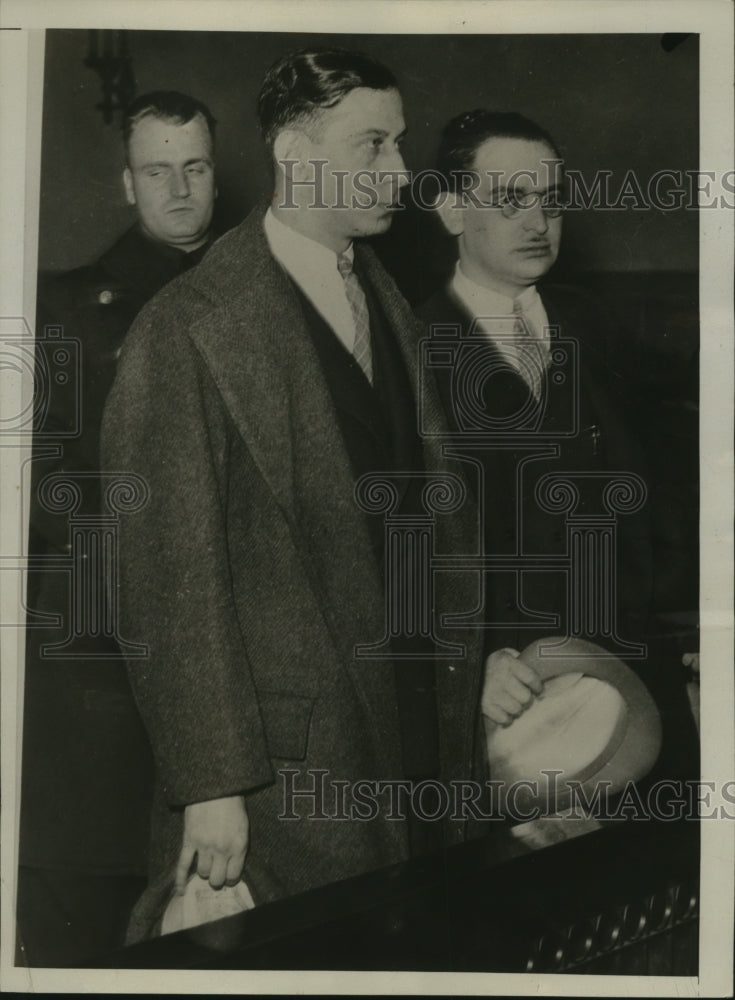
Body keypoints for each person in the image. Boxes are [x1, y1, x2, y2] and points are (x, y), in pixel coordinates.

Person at [101, 49, 485, 944]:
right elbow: (166, 577)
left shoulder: (384, 297)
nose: (399, 173)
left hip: (417, 728)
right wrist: (209, 785)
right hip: (286, 775)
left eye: (399, 145)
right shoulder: (189, 325)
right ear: (291, 152)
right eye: (373, 147)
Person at [18, 91, 219, 965]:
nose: (179, 190)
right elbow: (43, 500)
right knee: (102, 925)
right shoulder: (66, 308)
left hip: (239, 664)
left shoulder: (267, 292)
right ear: (124, 184)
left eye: (197, 168)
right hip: (113, 671)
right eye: (156, 172)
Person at [417, 110, 655, 727]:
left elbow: (655, 501)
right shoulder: (409, 348)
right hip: (499, 697)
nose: (537, 222)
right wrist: (466, 663)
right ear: (451, 211)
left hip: (622, 674)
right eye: (510, 200)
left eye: (550, 200)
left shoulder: (595, 326)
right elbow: (392, 548)